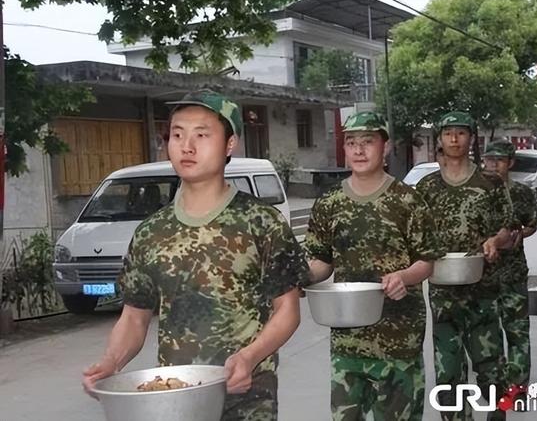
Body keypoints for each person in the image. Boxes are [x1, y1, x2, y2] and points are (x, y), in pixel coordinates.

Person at [82, 90, 310, 420]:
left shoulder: (262, 222)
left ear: (230, 144)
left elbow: (287, 310)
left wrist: (249, 357)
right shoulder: (150, 232)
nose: (186, 146)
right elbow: (134, 317)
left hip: (247, 399)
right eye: (177, 135)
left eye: (201, 135)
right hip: (176, 401)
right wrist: (112, 361)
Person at [305, 111, 444, 421]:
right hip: (347, 339)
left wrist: (403, 276)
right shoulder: (329, 203)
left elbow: (427, 262)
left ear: (385, 147)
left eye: (368, 142)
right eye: (351, 143)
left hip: (399, 338)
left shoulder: (408, 201)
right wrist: (298, 277)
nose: (358, 150)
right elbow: (321, 263)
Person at [415, 111, 513, 421]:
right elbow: (415, 237)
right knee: (448, 376)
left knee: (492, 369)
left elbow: (509, 231)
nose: (454, 139)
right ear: (440, 140)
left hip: (484, 289)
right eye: (448, 133)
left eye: (461, 133)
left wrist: (495, 242)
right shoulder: (427, 187)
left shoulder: (490, 182)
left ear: (472, 138)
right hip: (443, 294)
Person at [482, 140, 537, 390]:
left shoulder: (522, 192)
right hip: (482, 274)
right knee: (487, 333)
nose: (493, 165)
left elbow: (532, 224)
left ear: (511, 163)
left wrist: (518, 235)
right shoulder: (478, 192)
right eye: (489, 160)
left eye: (499, 160)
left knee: (517, 331)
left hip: (513, 271)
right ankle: (495, 380)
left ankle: (517, 384)